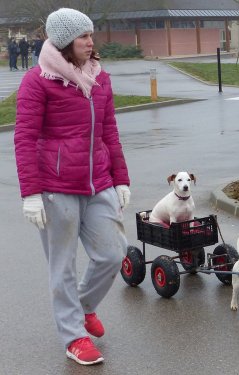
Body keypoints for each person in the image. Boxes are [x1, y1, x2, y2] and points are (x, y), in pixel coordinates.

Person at [14, 8, 131, 365]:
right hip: (55, 186)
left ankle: (83, 307)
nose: (90, 42)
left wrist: (121, 177)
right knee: (62, 266)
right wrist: (31, 193)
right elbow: (24, 137)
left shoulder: (99, 77)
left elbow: (109, 131)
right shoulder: (38, 81)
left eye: (90, 34)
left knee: (113, 252)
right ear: (65, 42)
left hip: (98, 182)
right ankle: (73, 336)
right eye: (83, 36)